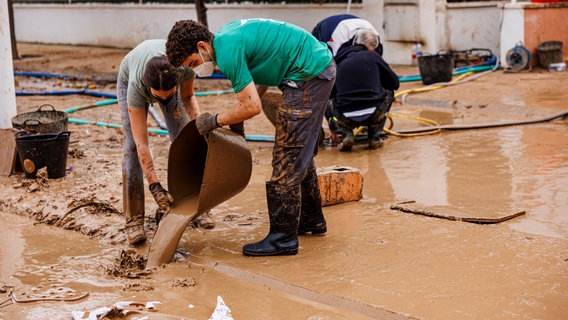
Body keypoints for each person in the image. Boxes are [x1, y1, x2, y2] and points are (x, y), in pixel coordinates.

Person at [166, 18, 336, 257]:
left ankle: (283, 238)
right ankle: (311, 220)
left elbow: (253, 106)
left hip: (308, 75)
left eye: (194, 62)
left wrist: (215, 120)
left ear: (202, 46)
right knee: (300, 150)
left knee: (287, 153)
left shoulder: (227, 54)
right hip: (315, 66)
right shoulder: (227, 36)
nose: (196, 70)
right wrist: (237, 119)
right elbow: (259, 79)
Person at [117, 39, 213, 246]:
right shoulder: (135, 86)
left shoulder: (184, 70)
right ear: (148, 87)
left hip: (168, 82)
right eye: (157, 97)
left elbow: (188, 97)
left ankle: (194, 204)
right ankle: (134, 220)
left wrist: (199, 128)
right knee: (132, 147)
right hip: (129, 78)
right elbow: (141, 142)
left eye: (167, 95)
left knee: (183, 138)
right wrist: (155, 186)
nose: (161, 101)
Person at [325, 29, 400, 151]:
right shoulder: (374, 56)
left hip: (344, 117)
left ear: (355, 42)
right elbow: (394, 84)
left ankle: (345, 134)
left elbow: (330, 93)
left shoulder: (338, 61)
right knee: (389, 93)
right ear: (373, 46)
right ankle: (374, 138)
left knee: (327, 100)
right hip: (374, 114)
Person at [312, 13, 383, 57]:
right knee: (322, 62)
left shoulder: (377, 42)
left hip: (351, 22)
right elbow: (337, 60)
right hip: (324, 29)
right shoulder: (341, 39)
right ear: (356, 43)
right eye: (365, 50)